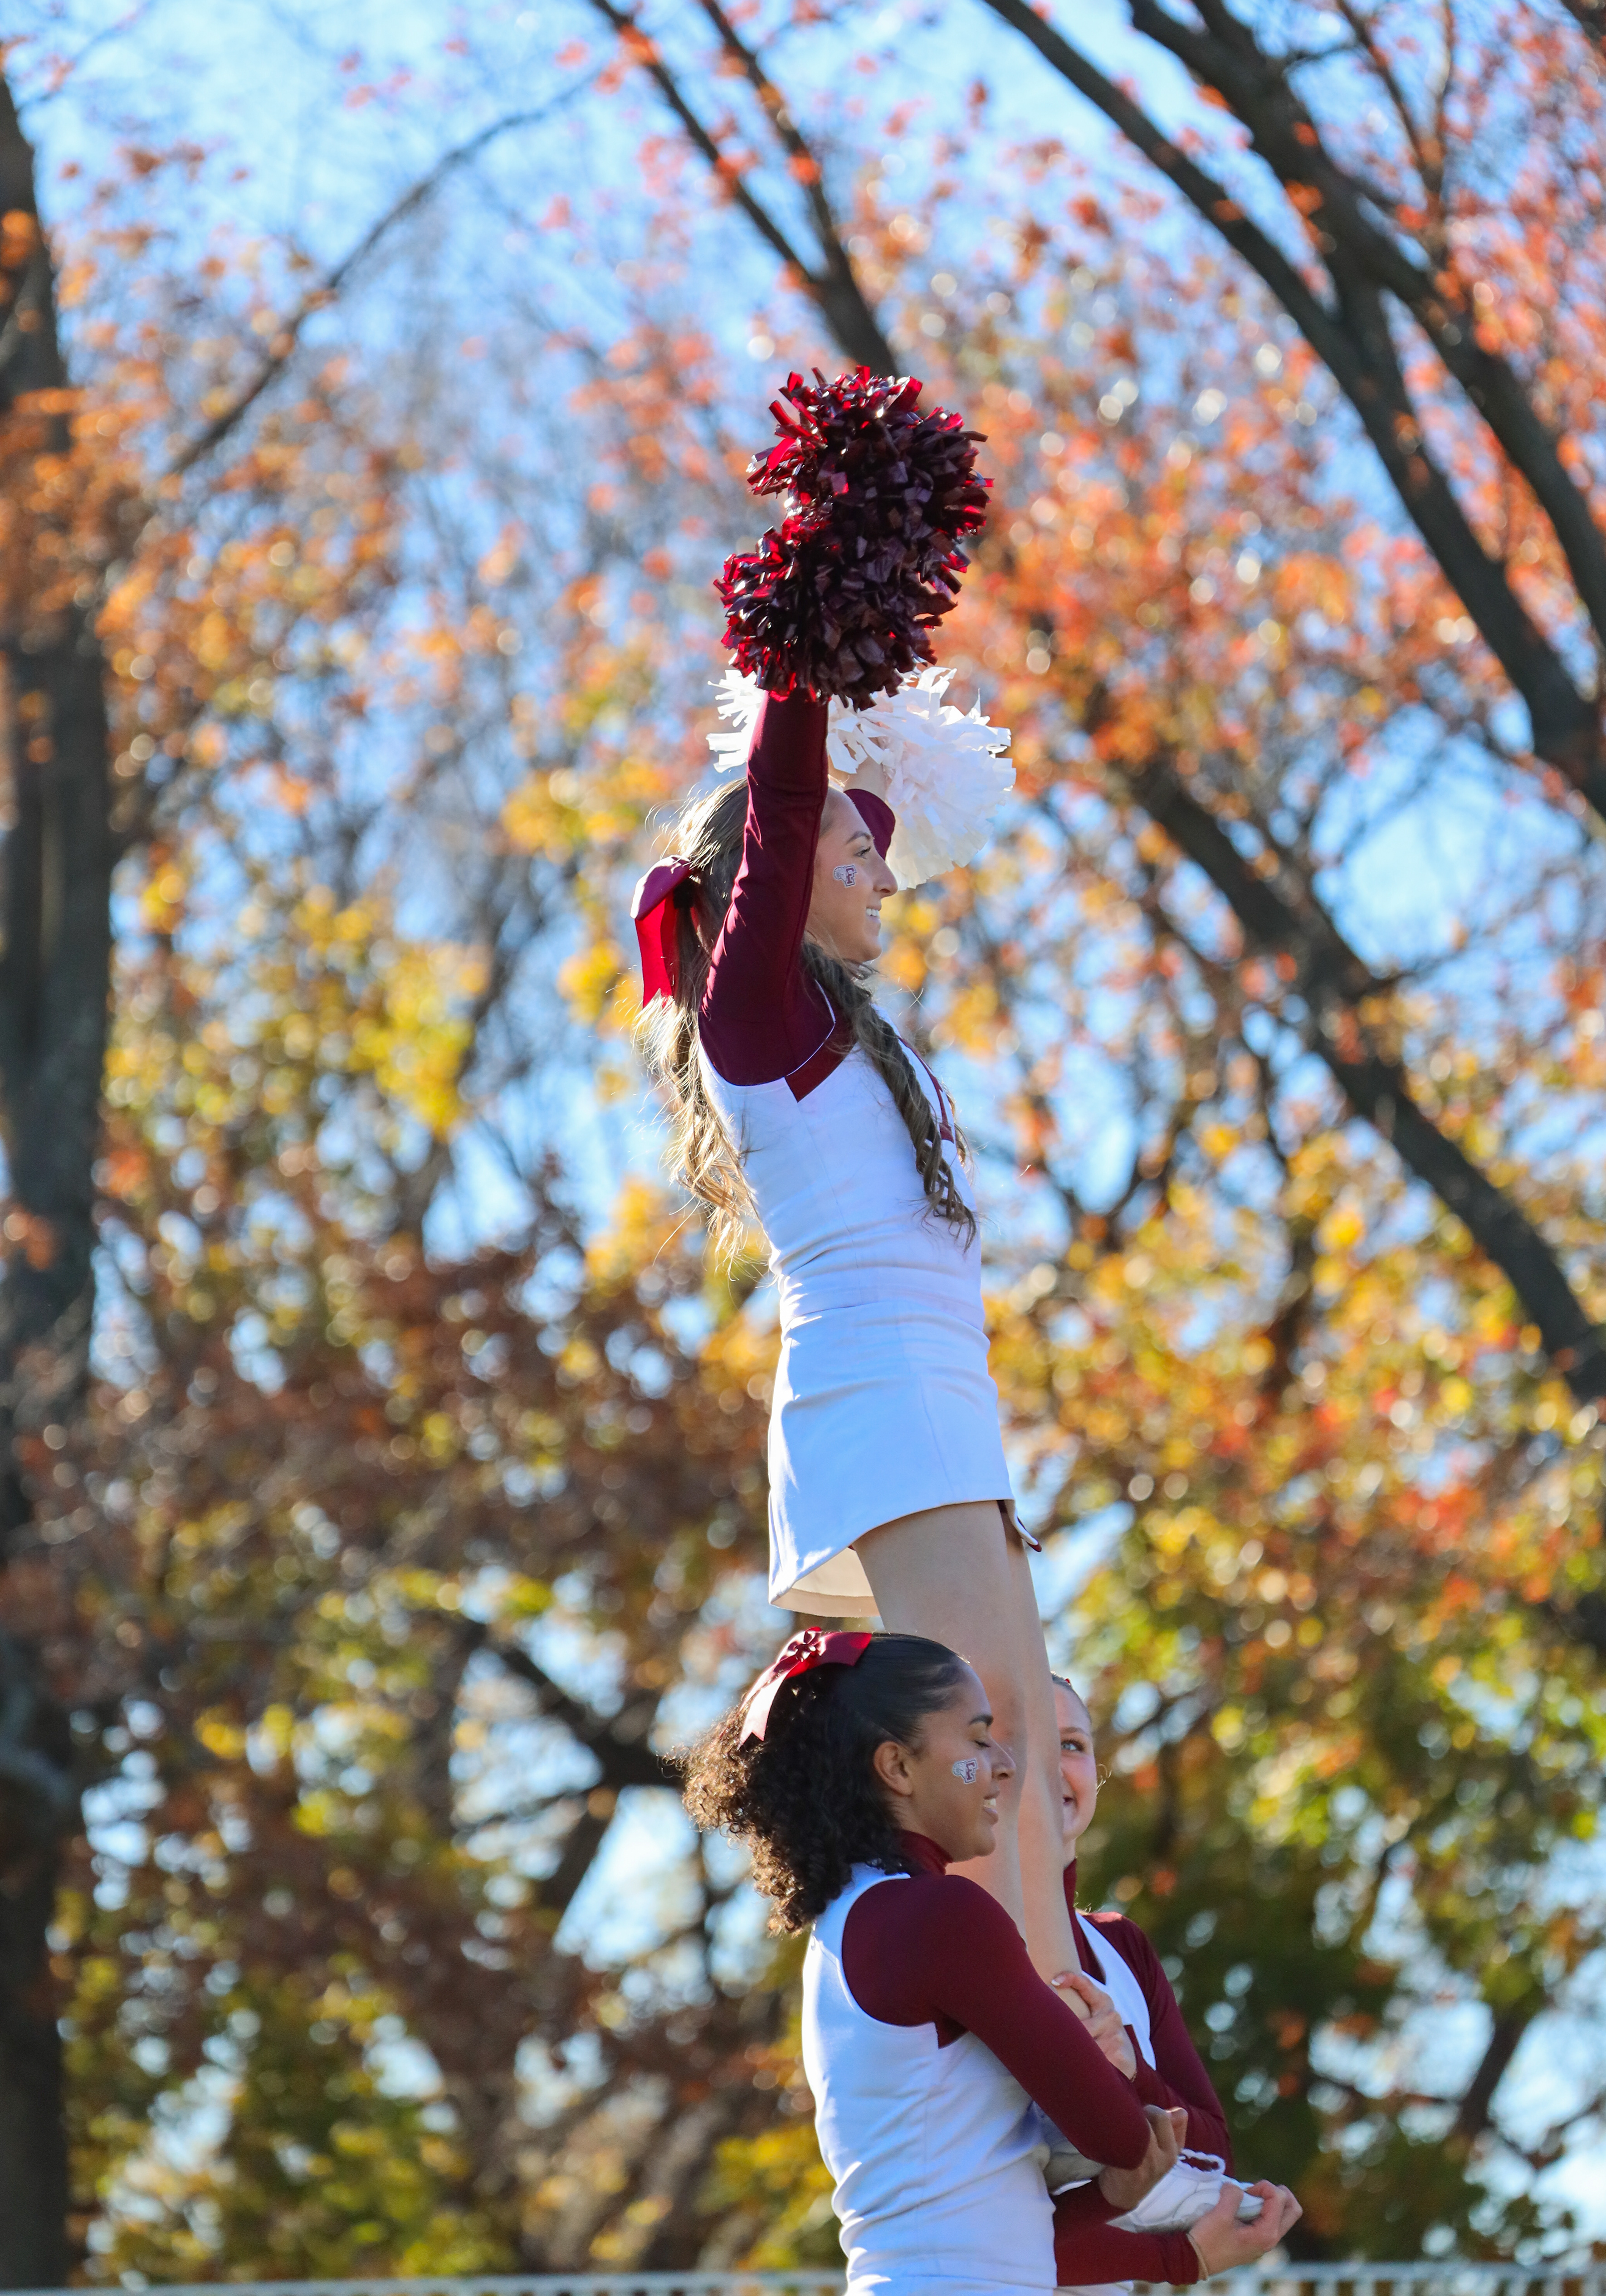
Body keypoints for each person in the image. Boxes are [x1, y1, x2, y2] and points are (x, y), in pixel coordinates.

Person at [633, 682, 1082, 1985]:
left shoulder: (836, 1018)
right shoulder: (755, 1016)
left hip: (945, 1406)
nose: (883, 871)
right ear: (768, 885)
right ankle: (1050, 2067)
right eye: (852, 855)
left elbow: (831, 809)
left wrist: (870, 710)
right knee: (983, 1749)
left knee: (1028, 1760)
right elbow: (780, 807)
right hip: (881, 1407)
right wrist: (799, 664)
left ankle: (1077, 2036)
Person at [681, 1628, 1180, 2295]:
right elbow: (1119, 2137)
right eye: (978, 1739)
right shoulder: (943, 1917)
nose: (1005, 1764)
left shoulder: (847, 1919)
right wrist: (1119, 2078)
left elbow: (978, 2233)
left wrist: (1117, 2193)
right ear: (897, 1767)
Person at [1048, 1674, 1303, 2288]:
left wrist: (1132, 2069)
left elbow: (1213, 2153)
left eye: (1074, 1745)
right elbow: (982, 2224)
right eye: (1026, 1739)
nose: (1055, 1766)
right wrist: (1182, 2258)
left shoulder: (1121, 1946)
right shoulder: (963, 1938)